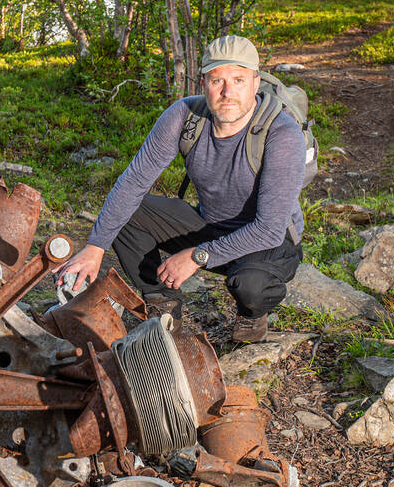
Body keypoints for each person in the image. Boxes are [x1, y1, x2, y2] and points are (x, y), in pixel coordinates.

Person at [56, 35, 305, 343]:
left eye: (238, 80)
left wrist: (197, 256)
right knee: (126, 212)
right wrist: (95, 247)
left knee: (250, 285)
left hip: (270, 241)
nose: (227, 93)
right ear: (204, 83)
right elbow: (133, 182)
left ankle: (252, 316)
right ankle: (164, 305)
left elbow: (268, 229)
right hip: (211, 224)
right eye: (217, 81)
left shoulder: (281, 132)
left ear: (255, 83)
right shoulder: (185, 116)